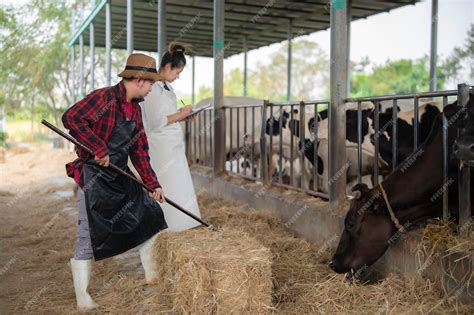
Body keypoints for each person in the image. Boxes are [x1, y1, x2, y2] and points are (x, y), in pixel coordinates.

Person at [62, 53, 168, 311]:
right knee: (89, 235)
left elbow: (139, 150)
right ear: (139, 80)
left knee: (150, 215)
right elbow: (71, 118)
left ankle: (152, 276)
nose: (152, 88)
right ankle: (83, 298)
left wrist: (153, 183)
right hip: (95, 179)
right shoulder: (105, 99)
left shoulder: (136, 109)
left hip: (120, 173)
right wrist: (98, 148)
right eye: (151, 83)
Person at [140, 43, 202, 232]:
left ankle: (183, 224)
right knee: (167, 184)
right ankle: (166, 226)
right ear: (167, 67)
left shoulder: (167, 88)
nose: (178, 76)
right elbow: (154, 122)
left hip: (173, 145)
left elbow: (169, 117)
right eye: (177, 72)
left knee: (179, 184)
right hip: (161, 148)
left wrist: (183, 117)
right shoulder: (151, 89)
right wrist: (181, 114)